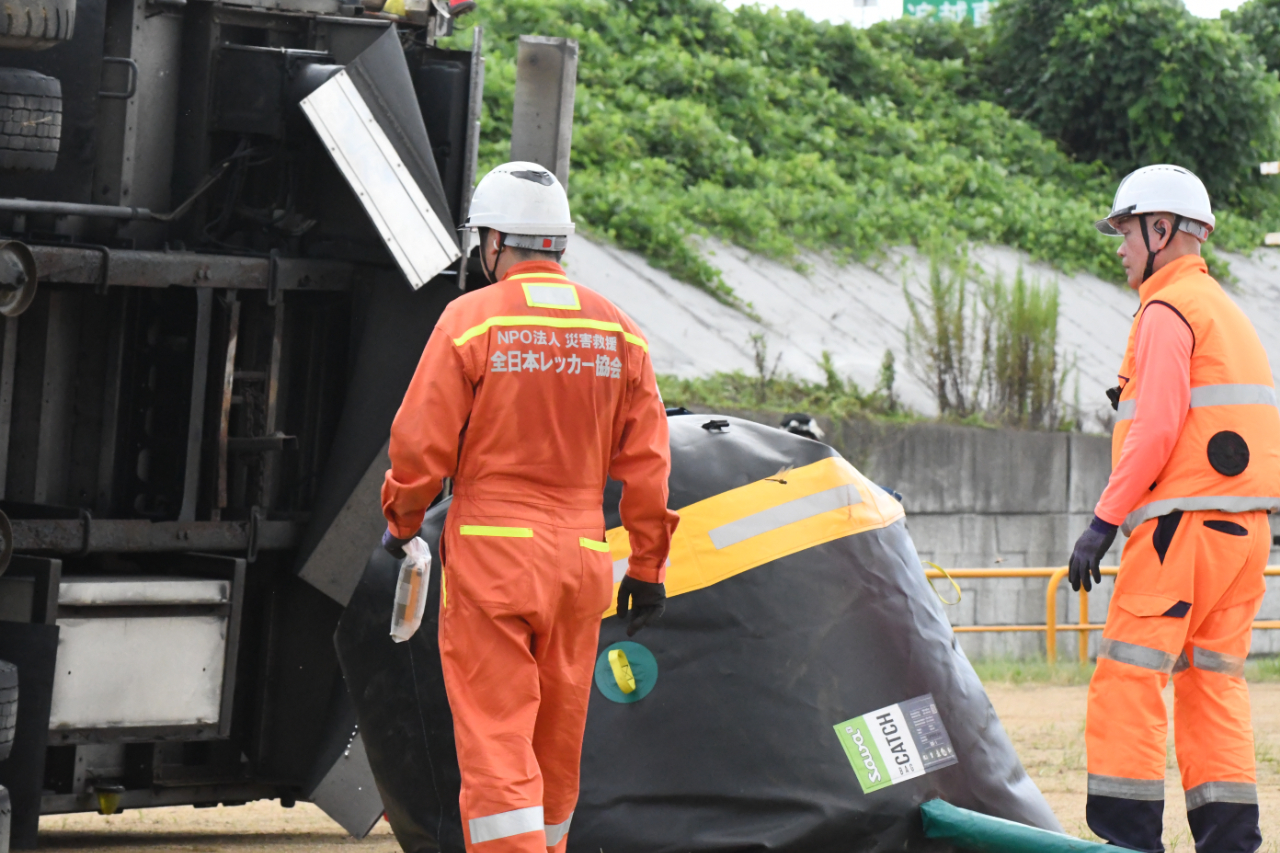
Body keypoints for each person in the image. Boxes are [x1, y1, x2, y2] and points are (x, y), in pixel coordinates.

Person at [380, 161, 679, 853]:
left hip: (491, 554)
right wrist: (649, 568)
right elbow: (650, 469)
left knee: (496, 737)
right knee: (557, 735)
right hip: (582, 560)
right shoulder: (621, 332)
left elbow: (418, 444)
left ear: (493, 241)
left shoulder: (469, 321)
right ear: (559, 243)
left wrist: (402, 522)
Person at [1069, 164, 1280, 853]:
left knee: (1128, 676)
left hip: (1180, 531)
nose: (1121, 245)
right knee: (1211, 684)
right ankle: (1230, 842)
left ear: (1162, 230)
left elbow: (1157, 428)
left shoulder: (1166, 310)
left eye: (1126, 230)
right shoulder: (1226, 310)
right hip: (1244, 533)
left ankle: (1128, 841)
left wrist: (1102, 522)